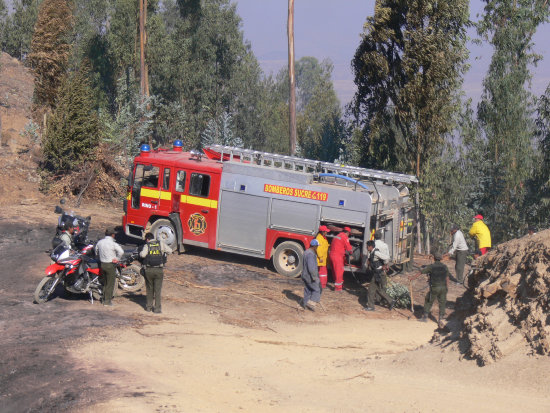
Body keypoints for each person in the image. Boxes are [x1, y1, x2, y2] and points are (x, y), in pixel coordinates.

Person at [409, 252, 457, 328]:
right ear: (441, 259)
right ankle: (440, 319)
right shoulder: (445, 267)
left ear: (434, 258)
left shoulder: (431, 266)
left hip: (434, 287)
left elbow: (421, 272)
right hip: (443, 287)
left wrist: (412, 278)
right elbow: (447, 277)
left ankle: (425, 317)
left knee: (428, 300)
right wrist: (447, 287)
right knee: (442, 303)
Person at [139, 232, 172, 313]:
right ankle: (157, 309)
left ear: (147, 239)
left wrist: (140, 252)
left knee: (149, 289)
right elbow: (170, 251)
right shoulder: (161, 243)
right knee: (157, 290)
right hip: (159, 270)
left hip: (149, 270)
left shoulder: (147, 245)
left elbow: (142, 255)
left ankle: (148, 307)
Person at [95, 228, 124, 307]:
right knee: (110, 284)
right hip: (110, 265)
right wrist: (117, 259)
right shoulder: (113, 243)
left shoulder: (100, 242)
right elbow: (121, 252)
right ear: (112, 235)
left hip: (102, 264)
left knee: (105, 282)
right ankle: (107, 302)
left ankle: (103, 298)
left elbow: (96, 251)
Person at [364, 240, 394, 311]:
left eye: (367, 246)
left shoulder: (376, 252)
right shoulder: (371, 252)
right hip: (377, 273)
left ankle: (371, 306)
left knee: (371, 290)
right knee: (378, 289)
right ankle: (391, 301)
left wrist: (385, 265)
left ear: (371, 246)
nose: (366, 247)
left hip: (378, 273)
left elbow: (386, 258)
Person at [329, 227, 352, 291]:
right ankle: (338, 288)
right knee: (339, 272)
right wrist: (351, 252)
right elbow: (349, 248)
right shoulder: (344, 237)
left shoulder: (337, 235)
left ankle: (338, 285)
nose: (348, 235)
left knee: (335, 271)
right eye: (349, 234)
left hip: (332, 255)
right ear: (347, 232)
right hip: (337, 256)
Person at [301, 239, 321, 311]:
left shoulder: (306, 252)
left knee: (308, 290)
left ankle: (305, 305)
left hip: (304, 275)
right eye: (317, 246)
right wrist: (314, 277)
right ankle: (311, 304)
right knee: (317, 289)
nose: (317, 248)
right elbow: (311, 268)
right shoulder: (310, 254)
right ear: (315, 246)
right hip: (309, 276)